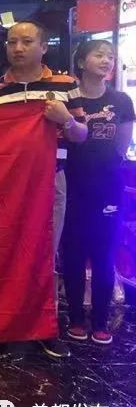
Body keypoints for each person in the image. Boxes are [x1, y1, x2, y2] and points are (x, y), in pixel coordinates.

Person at [0, 19, 88, 359]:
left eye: (27, 42)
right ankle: (0, 323)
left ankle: (44, 327)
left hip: (50, 179)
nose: (18, 48)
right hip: (5, 185)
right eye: (12, 42)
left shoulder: (66, 84)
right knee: (3, 252)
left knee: (44, 254)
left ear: (43, 47)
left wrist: (65, 119)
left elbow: (81, 134)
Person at [63, 40, 134, 345]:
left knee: (104, 254)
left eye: (110, 56)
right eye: (99, 55)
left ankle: (101, 321)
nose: (107, 60)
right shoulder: (67, 99)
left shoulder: (121, 101)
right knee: (73, 254)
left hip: (108, 186)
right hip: (71, 184)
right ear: (81, 62)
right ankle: (76, 319)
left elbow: (121, 146)